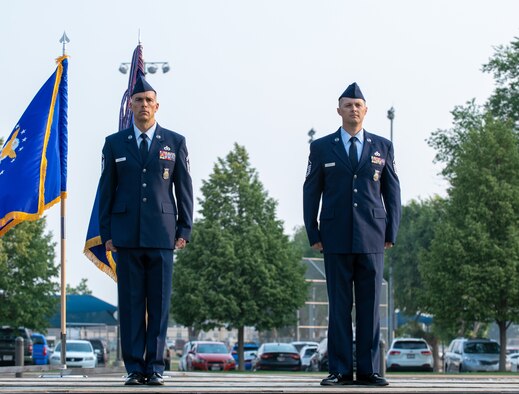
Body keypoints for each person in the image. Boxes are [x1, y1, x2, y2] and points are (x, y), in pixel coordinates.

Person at [303, 82, 401, 387]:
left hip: (373, 236)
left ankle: (369, 371)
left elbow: (392, 191)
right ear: (339, 110)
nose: (353, 109)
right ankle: (341, 370)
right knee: (340, 307)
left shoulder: (382, 146)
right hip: (335, 237)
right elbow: (310, 191)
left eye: (358, 105)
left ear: (366, 110)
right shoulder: (321, 147)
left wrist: (391, 230)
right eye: (347, 105)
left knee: (371, 307)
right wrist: (313, 231)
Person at [99, 76, 193, 386]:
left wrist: (185, 228)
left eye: (148, 101)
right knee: (131, 305)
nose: (143, 106)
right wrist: (106, 232)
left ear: (157, 105)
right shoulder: (115, 144)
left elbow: (184, 190)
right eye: (137, 100)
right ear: (131, 104)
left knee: (159, 304)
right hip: (125, 236)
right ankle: (134, 368)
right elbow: (106, 192)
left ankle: (155, 367)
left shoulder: (174, 142)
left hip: (163, 235)